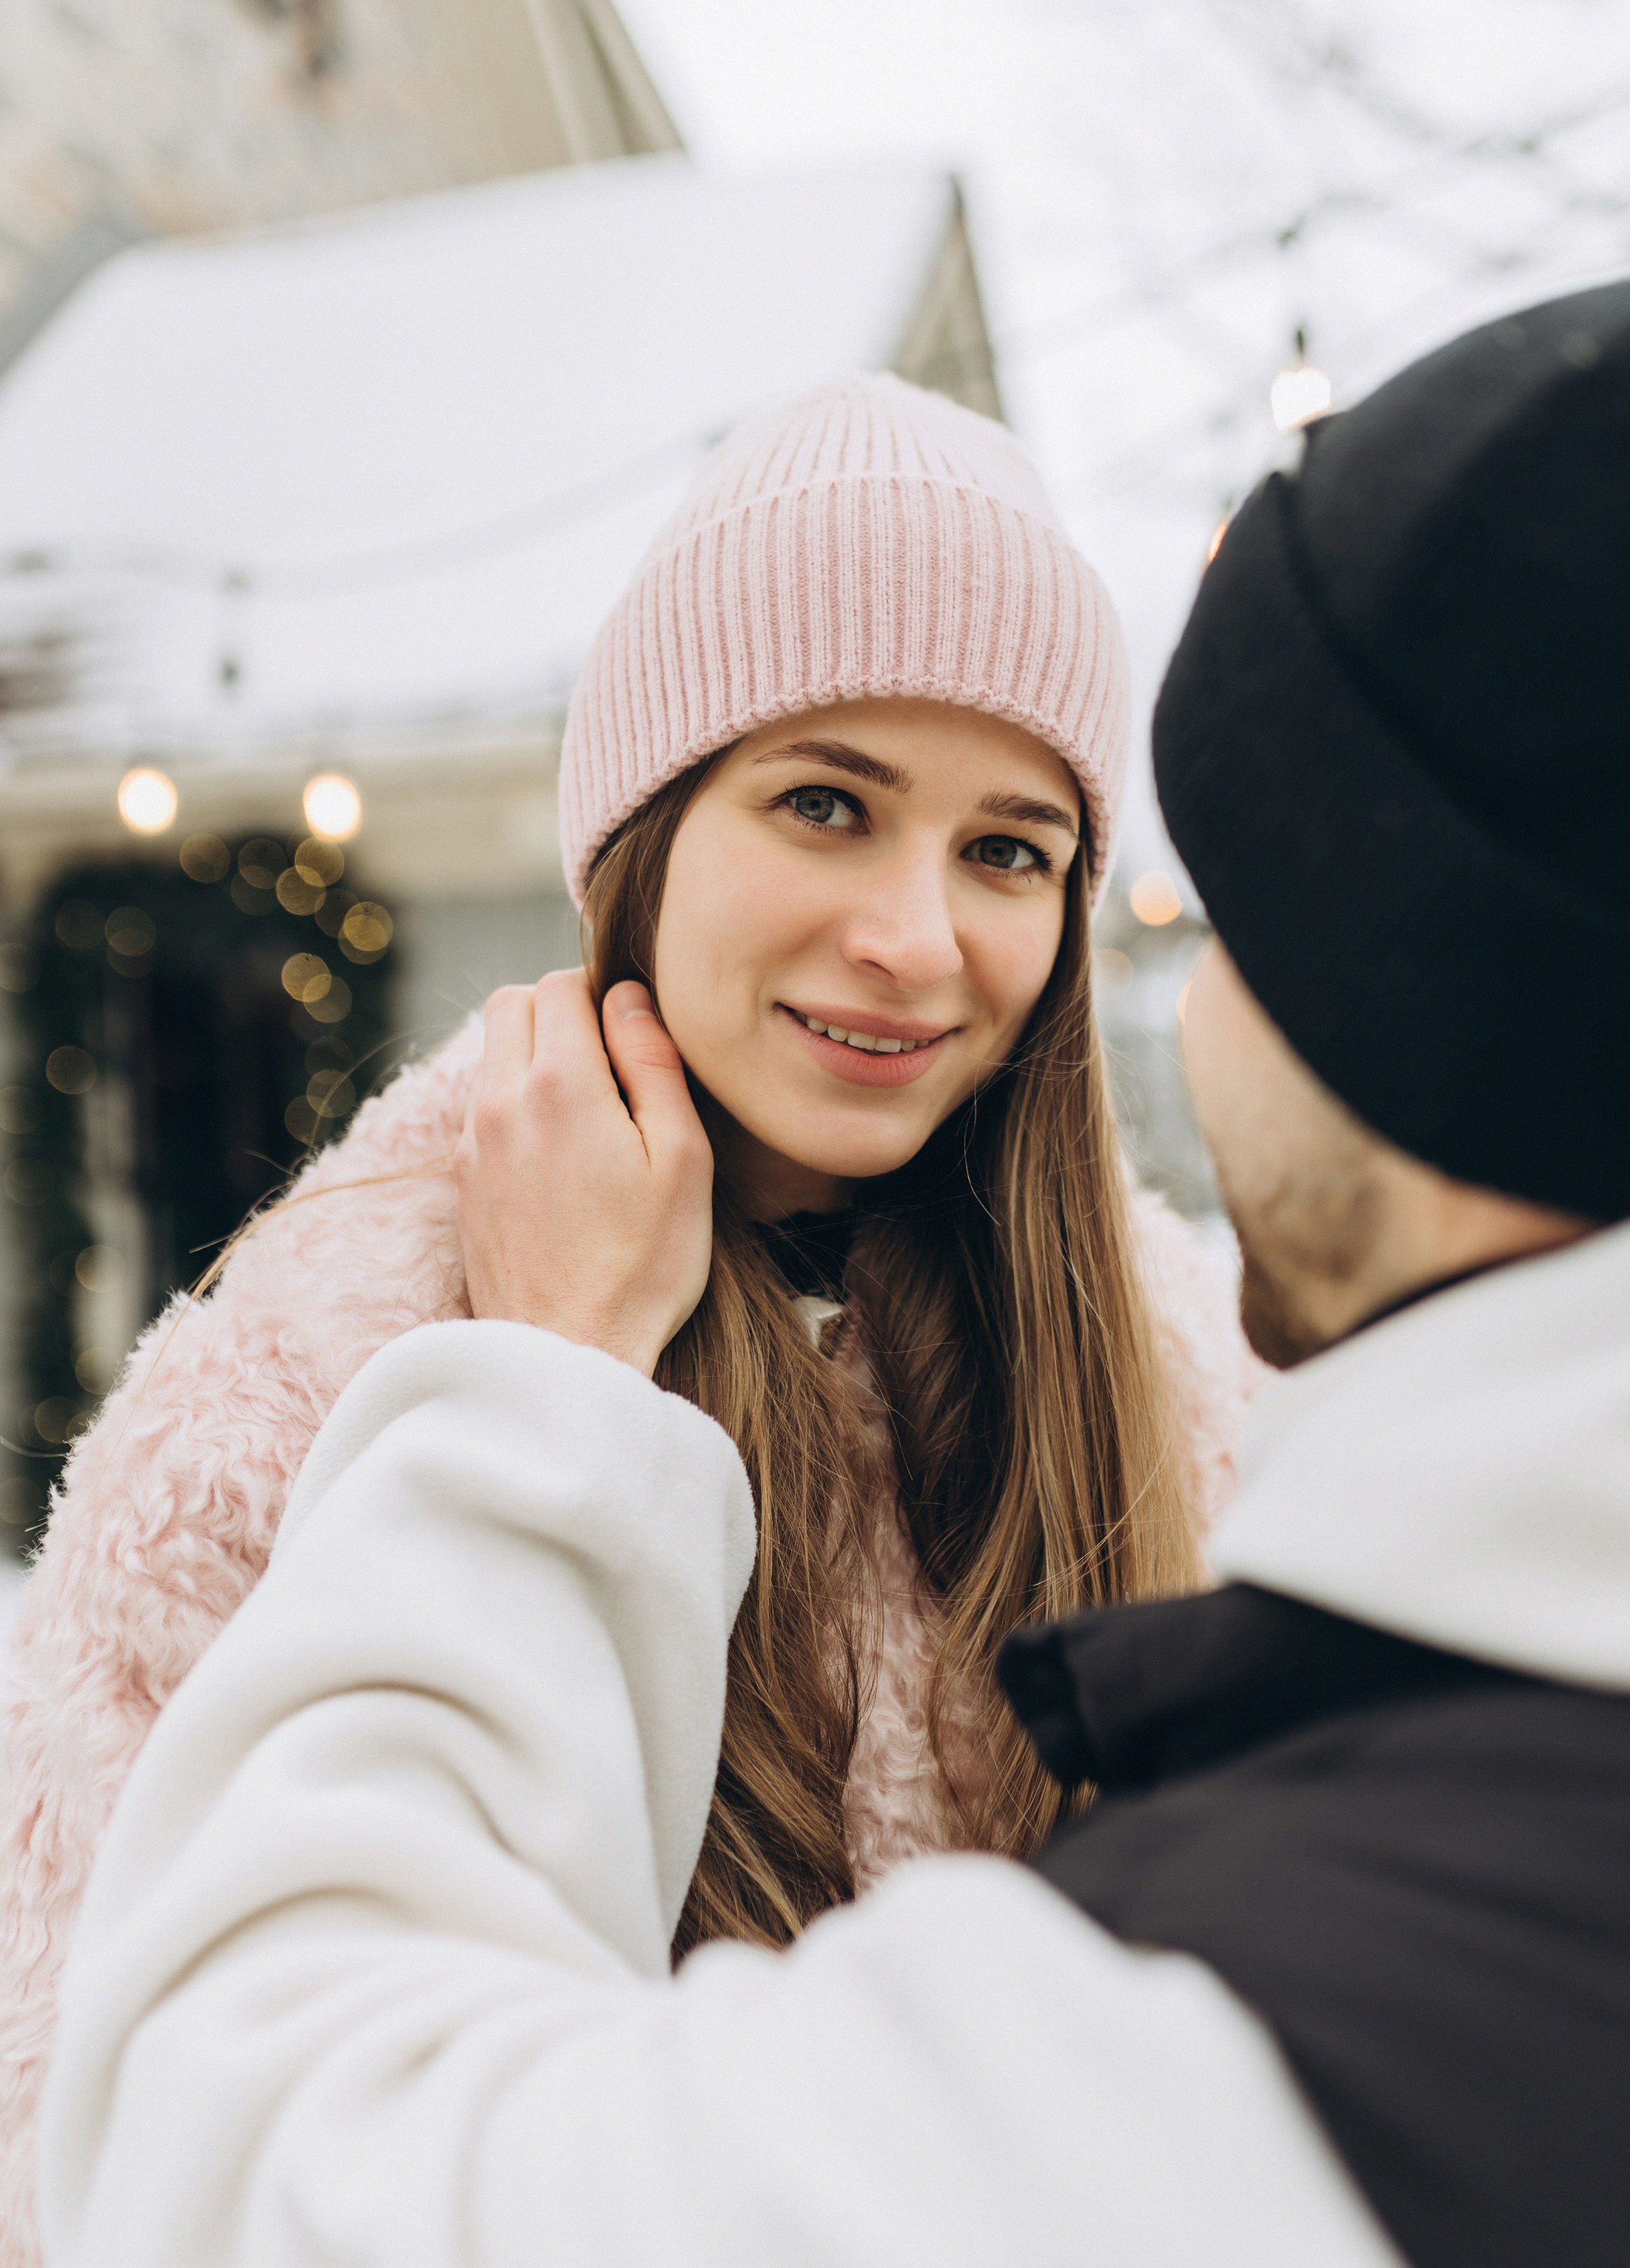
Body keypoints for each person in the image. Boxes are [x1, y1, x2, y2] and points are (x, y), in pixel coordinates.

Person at [37, 280, 1630, 2268]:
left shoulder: (1208, 1386)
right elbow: (104, 2116)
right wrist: (540, 1398)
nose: (916, 935)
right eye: (823, 801)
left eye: (1011, 849)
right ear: (645, 833)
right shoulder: (316, 1376)